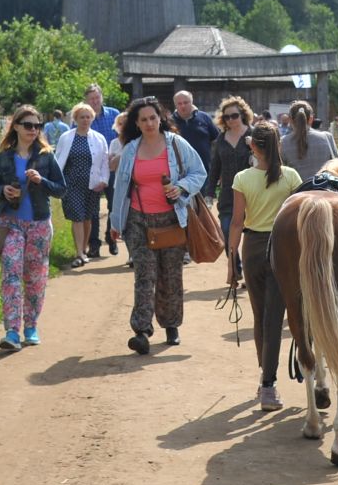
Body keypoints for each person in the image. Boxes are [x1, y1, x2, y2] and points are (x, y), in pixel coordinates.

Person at [107, 95, 207, 355]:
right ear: (136, 124)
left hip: (172, 218)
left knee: (170, 275)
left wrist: (181, 187)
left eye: (153, 117)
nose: (150, 123)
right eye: (144, 119)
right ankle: (141, 330)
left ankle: (171, 325)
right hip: (137, 219)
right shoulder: (130, 149)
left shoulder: (176, 144)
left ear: (161, 118)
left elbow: (199, 172)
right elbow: (120, 188)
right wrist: (116, 222)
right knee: (145, 275)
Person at [227, 119, 301, 412]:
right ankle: (268, 384)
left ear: (253, 146)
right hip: (285, 249)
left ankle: (265, 379)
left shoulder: (242, 178)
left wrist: (232, 261)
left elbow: (236, 223)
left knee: (261, 318)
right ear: (277, 145)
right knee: (276, 317)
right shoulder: (292, 177)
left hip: (254, 248)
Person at [0, 106, 66, 351]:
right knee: (10, 273)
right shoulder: (4, 156)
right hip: (9, 224)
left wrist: (41, 181)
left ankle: (31, 326)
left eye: (37, 126)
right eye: (28, 125)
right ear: (17, 127)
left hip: (38, 224)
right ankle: (12, 331)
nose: (34, 130)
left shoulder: (46, 155)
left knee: (35, 277)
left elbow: (61, 189)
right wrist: (3, 190)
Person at [54, 102, 109, 269]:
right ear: (75, 119)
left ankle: (83, 250)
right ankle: (79, 253)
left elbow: (105, 162)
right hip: (71, 183)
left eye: (88, 117)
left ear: (92, 118)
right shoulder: (66, 137)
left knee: (87, 218)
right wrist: (56, 181)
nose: (85, 120)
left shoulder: (99, 138)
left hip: (92, 184)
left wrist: (104, 181)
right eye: (81, 117)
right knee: (77, 217)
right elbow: (58, 159)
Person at [205, 96, 255, 280]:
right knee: (227, 233)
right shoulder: (220, 140)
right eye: (226, 117)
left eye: (234, 115)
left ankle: (252, 275)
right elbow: (214, 169)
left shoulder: (255, 135)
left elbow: (267, 162)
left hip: (253, 195)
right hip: (227, 196)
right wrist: (209, 194)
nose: (231, 120)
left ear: (242, 114)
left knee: (252, 239)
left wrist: (254, 147)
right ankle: (235, 268)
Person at [85, 84, 121, 259]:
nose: (94, 101)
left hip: (113, 167)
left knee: (114, 205)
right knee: (93, 208)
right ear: (86, 100)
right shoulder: (83, 117)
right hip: (92, 169)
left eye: (97, 97)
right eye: (91, 98)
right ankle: (94, 244)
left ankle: (111, 237)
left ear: (102, 97)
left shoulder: (114, 114)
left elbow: (124, 134)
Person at [169, 90, 220, 190]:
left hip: (203, 170)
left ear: (191, 102)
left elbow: (217, 140)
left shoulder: (204, 118)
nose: (183, 106)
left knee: (203, 203)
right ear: (175, 105)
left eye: (186, 102)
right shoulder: (169, 122)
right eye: (179, 103)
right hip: (178, 173)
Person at [277, 99, 338, 179]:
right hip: (324, 187)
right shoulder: (327, 137)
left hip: (296, 190)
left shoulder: (283, 142)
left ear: (290, 120)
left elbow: (280, 173)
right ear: (311, 119)